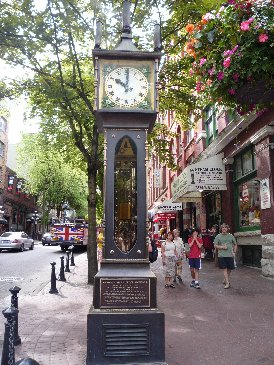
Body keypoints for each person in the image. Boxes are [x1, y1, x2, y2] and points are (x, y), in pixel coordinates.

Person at [214, 223, 237, 289]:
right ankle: (227, 283)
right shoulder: (218, 236)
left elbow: (235, 244)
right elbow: (215, 245)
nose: (224, 228)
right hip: (221, 255)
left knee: (230, 269)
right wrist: (222, 247)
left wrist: (234, 252)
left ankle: (225, 280)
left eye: (225, 227)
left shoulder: (231, 236)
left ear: (227, 229)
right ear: (221, 229)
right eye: (223, 227)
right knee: (224, 269)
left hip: (230, 255)